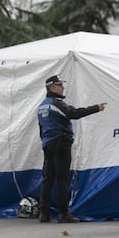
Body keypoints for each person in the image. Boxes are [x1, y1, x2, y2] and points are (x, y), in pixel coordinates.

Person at [37, 75, 106, 223]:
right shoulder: (57, 104)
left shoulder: (42, 105)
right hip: (61, 143)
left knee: (47, 178)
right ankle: (63, 214)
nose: (63, 87)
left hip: (48, 144)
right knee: (62, 179)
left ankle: (44, 213)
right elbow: (74, 114)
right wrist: (96, 108)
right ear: (52, 88)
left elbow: (41, 128)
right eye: (60, 85)